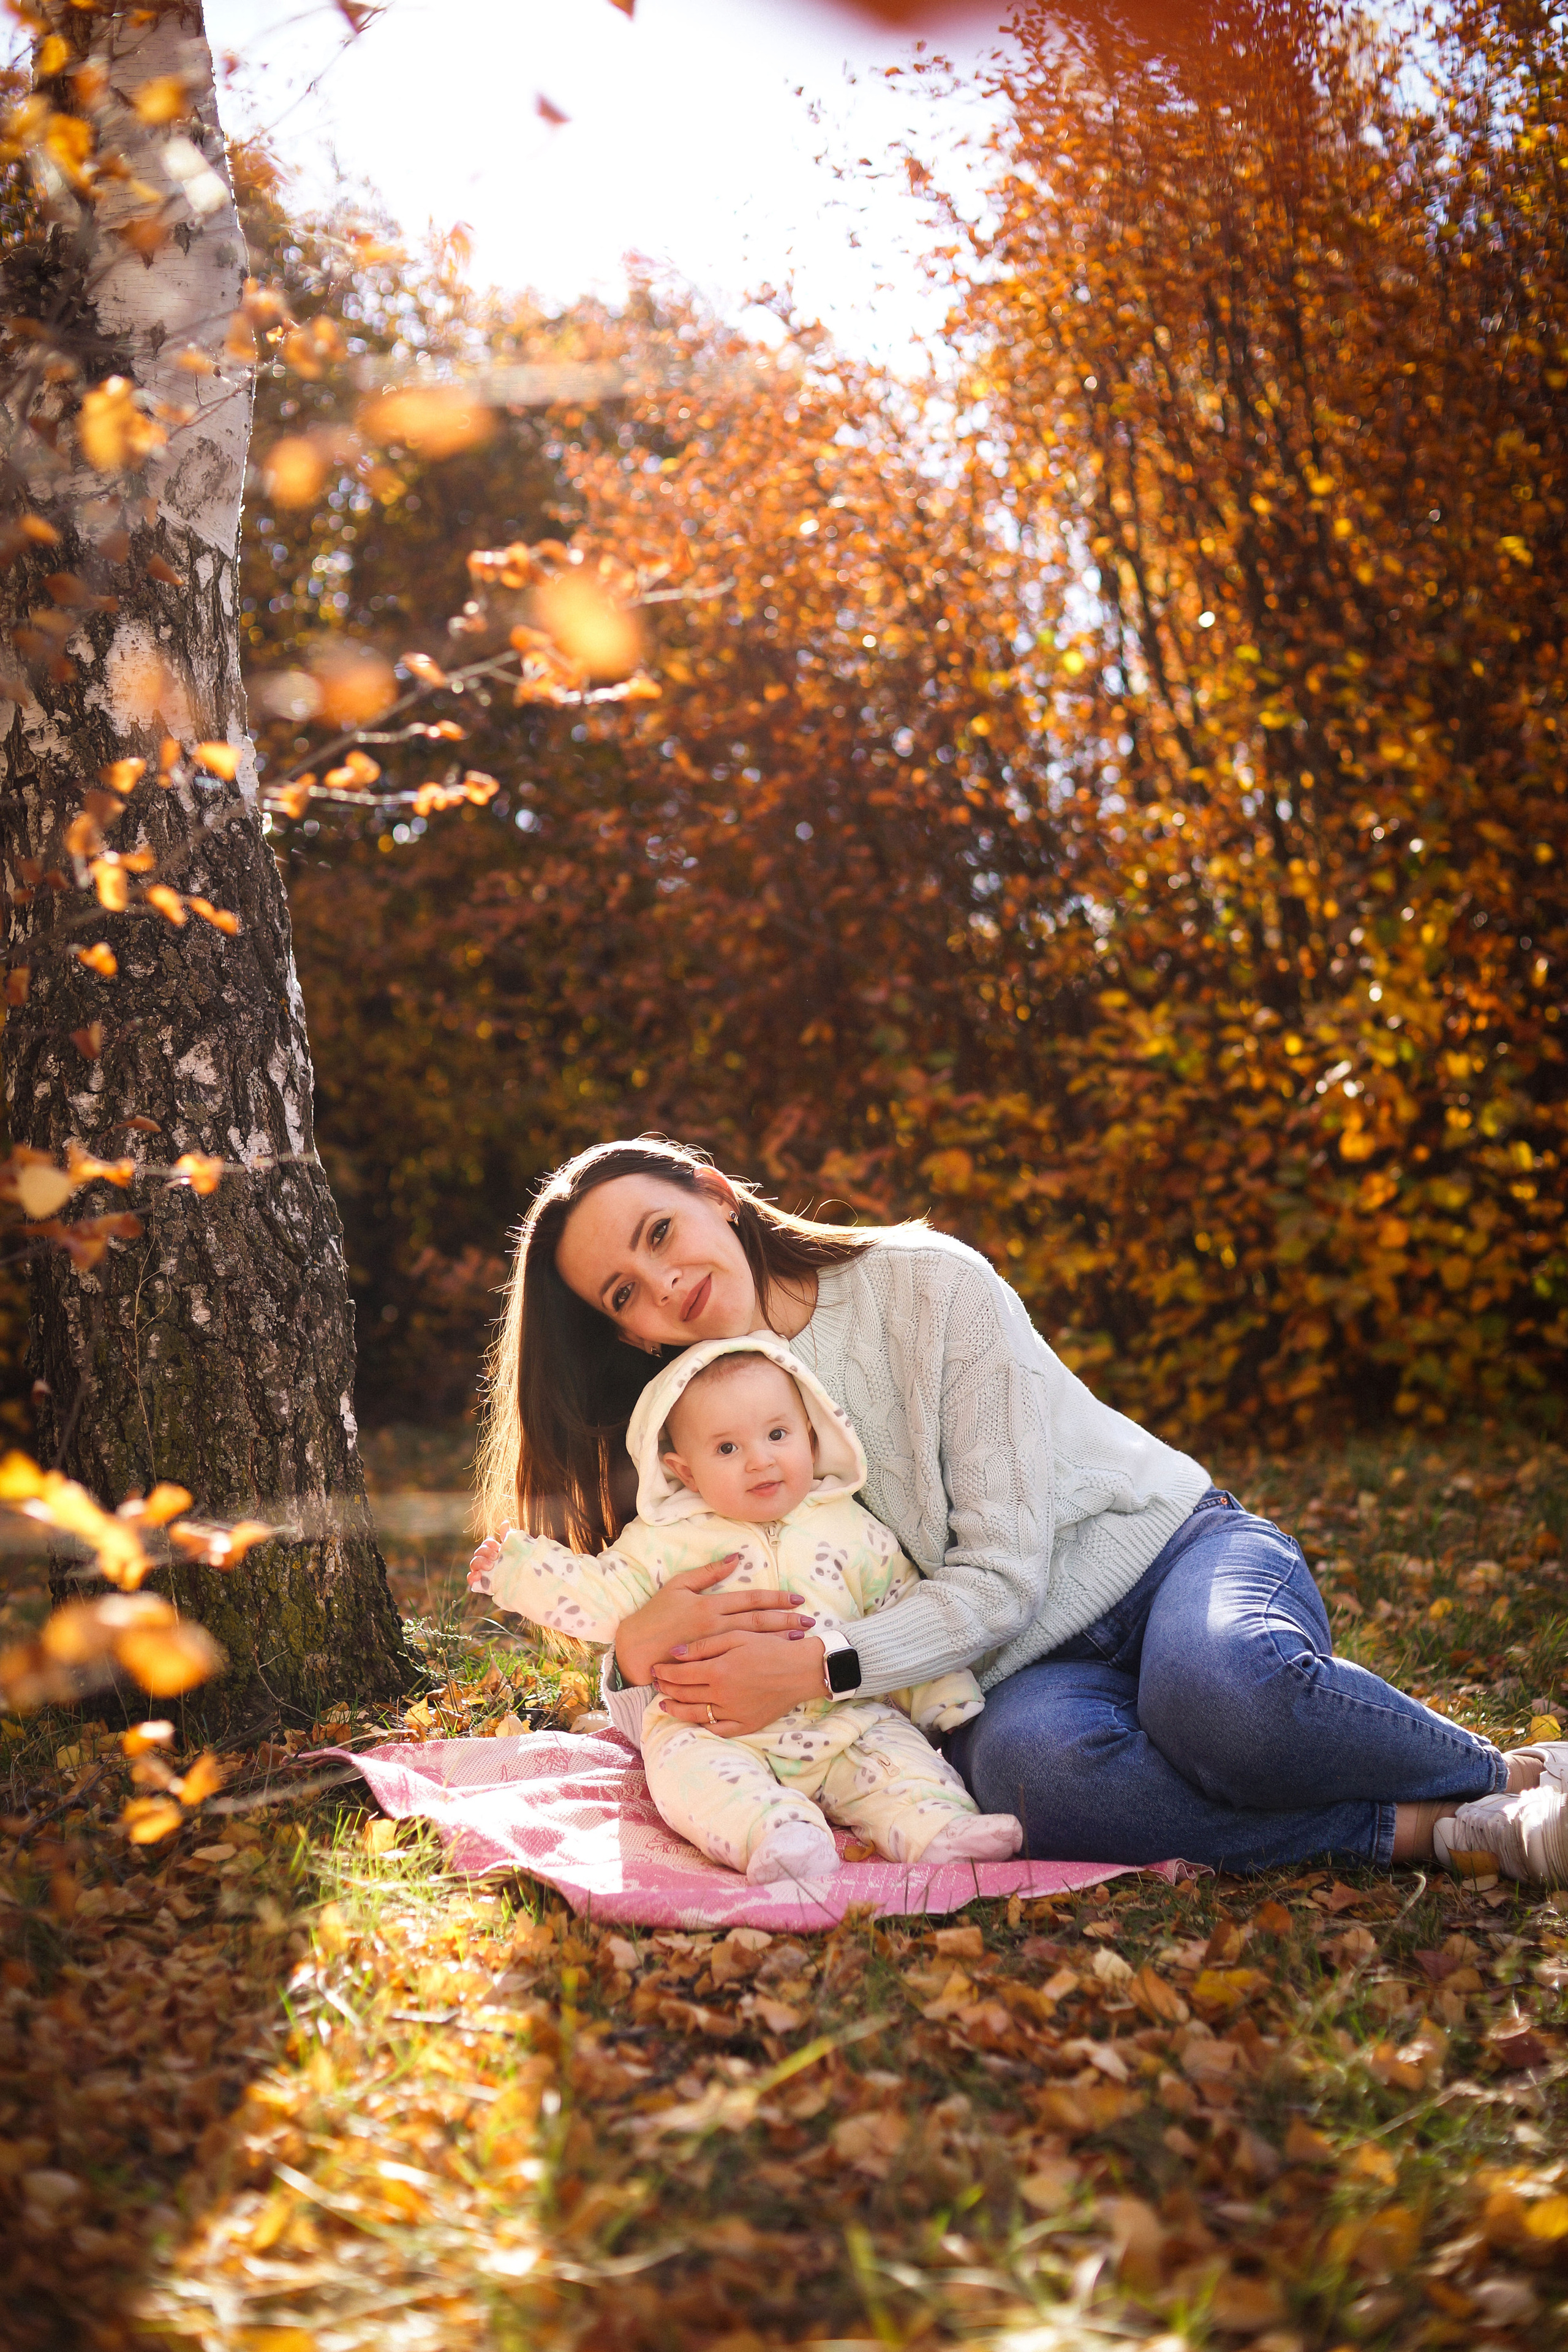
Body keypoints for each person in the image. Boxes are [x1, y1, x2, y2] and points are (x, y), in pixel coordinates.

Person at [474, 1137, 1568, 1887]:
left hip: (1165, 1553)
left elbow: (1002, 1575)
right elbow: (652, 1587)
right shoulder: (685, 1435)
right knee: (1041, 1787)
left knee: (1223, 1697)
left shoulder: (927, 1282)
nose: (661, 1282)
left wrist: (822, 1667)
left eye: (659, 1232)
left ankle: (1509, 1774)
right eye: (624, 1292)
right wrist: (635, 1646)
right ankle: (1430, 1831)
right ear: (628, 1335)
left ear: (716, 1192)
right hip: (1019, 1673)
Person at [470, 1333, 1022, 1882]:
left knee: (896, 1756)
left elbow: (898, 1606)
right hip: (713, 1728)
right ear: (686, 1471)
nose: (760, 1461)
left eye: (777, 1435)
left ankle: (940, 1828)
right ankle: (776, 1834)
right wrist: (519, 1571)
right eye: (727, 1449)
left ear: (811, 1438)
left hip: (842, 1718)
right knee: (689, 1773)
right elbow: (602, 1592)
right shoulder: (664, 1541)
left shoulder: (852, 1527)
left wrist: (944, 1694)